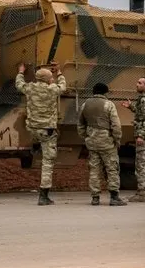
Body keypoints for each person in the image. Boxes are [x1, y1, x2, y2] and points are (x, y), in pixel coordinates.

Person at [15, 62, 67, 206]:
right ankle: (43, 196)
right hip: (47, 131)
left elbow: (19, 84)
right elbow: (63, 86)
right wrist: (59, 72)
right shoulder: (52, 90)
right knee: (48, 162)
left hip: (32, 128)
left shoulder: (30, 88)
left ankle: (35, 145)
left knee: (37, 136)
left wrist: (21, 71)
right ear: (47, 79)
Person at [77, 83, 128, 206]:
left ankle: (95, 197)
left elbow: (80, 124)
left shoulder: (85, 104)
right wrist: (117, 139)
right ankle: (114, 197)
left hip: (91, 141)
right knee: (112, 168)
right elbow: (116, 125)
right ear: (105, 93)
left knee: (94, 169)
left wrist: (86, 136)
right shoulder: (109, 104)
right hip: (107, 141)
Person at [122, 76, 145, 202]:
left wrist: (140, 135)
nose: (137, 84)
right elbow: (142, 113)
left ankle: (142, 194)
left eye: (140, 83)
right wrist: (131, 107)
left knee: (141, 165)